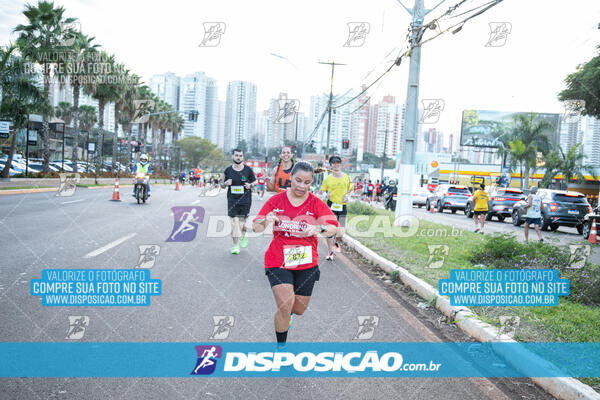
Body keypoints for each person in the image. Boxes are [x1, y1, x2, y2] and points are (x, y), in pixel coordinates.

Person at [252, 162, 339, 349]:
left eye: (307, 182)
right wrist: (266, 220)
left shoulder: (316, 203)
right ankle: (281, 347)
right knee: (285, 305)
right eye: (298, 180)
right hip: (278, 260)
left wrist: (317, 228)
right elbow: (255, 226)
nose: (301, 186)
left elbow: (335, 229)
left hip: (306, 263)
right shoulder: (276, 200)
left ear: (311, 183)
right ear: (291, 178)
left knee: (298, 309)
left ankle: (288, 315)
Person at [221, 149, 257, 254]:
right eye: (236, 155)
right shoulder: (227, 170)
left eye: (240, 156)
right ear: (232, 156)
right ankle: (235, 246)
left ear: (243, 157)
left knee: (242, 225)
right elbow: (222, 185)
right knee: (233, 224)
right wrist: (226, 183)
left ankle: (244, 236)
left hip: (245, 200)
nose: (238, 157)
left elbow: (255, 181)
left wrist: (250, 185)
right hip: (232, 200)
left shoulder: (248, 170)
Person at [320, 155, 353, 260]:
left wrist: (348, 196)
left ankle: (336, 242)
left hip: (342, 206)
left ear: (340, 165)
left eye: (338, 163)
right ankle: (330, 252)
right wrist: (325, 195)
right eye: (333, 164)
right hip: (331, 206)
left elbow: (351, 189)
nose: (336, 165)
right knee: (330, 230)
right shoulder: (328, 179)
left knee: (341, 232)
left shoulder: (346, 177)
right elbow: (321, 191)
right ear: (330, 166)